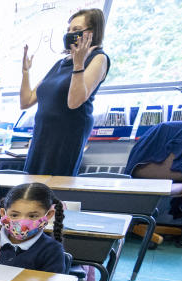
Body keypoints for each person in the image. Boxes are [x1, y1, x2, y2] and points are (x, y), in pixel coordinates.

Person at [20, 8, 110, 176]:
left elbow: (75, 101)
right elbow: (26, 101)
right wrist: (26, 72)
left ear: (91, 33)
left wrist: (78, 64)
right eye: (68, 29)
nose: (70, 34)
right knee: (31, 189)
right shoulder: (60, 63)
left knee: (54, 191)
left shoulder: (99, 58)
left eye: (76, 30)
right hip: (42, 135)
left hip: (66, 136)